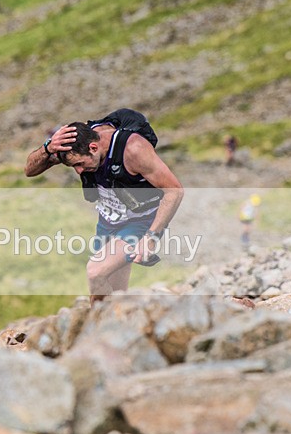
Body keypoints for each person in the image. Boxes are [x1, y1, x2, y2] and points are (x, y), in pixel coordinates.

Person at [24, 111, 183, 305]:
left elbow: (174, 191)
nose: (79, 171)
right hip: (107, 221)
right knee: (111, 295)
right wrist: (47, 148)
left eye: (80, 164)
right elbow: (29, 170)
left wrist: (151, 237)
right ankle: (115, 328)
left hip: (140, 221)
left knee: (95, 272)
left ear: (93, 147)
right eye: (73, 167)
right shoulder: (76, 144)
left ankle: (97, 329)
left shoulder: (133, 149)